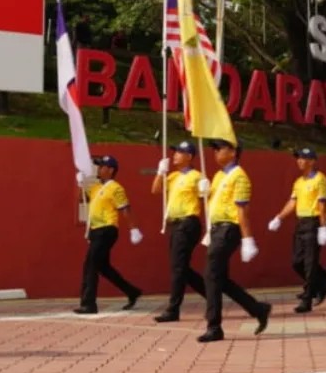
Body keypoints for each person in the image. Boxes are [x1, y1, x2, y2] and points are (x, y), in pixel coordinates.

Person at [199, 139, 271, 342]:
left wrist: (248, 239)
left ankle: (214, 326)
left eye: (219, 149)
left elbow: (242, 210)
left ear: (233, 152)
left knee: (211, 275)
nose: (215, 153)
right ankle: (257, 308)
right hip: (216, 230)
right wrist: (202, 192)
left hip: (229, 229)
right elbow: (212, 205)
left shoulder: (240, 177)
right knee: (218, 278)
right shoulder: (220, 175)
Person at [76, 155, 144, 315]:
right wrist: (80, 183)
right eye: (99, 166)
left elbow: (125, 208)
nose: (99, 169)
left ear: (111, 170)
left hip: (106, 230)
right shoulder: (95, 187)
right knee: (103, 267)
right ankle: (132, 291)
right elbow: (81, 198)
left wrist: (133, 229)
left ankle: (88, 304)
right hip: (95, 230)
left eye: (102, 166)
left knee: (90, 265)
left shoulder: (116, 188)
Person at [269, 147, 326, 313]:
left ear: (312, 161)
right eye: (298, 158)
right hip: (301, 223)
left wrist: (323, 227)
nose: (299, 161)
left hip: (313, 223)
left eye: (303, 158)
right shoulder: (298, 182)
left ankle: (307, 299)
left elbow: (322, 205)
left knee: (310, 264)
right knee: (297, 262)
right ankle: (322, 282)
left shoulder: (320, 179)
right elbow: (292, 202)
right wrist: (279, 218)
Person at [151, 141, 208, 323]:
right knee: (181, 267)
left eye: (179, 152)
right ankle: (212, 295)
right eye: (175, 152)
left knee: (178, 267)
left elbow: (208, 198)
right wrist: (160, 173)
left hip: (188, 223)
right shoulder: (173, 176)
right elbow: (155, 190)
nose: (174, 155)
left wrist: (206, 189)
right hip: (175, 225)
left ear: (190, 157)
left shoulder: (197, 176)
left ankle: (173, 309)